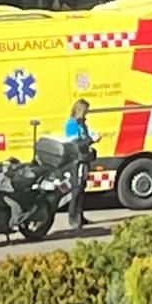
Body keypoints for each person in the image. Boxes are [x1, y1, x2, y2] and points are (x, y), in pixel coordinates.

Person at [62, 99, 99, 231]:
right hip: (76, 161)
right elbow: (75, 144)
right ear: (79, 110)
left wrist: (92, 138)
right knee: (76, 190)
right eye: (85, 111)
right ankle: (73, 218)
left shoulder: (82, 123)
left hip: (84, 159)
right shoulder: (71, 124)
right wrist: (90, 140)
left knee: (82, 189)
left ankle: (80, 216)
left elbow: (85, 137)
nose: (86, 114)